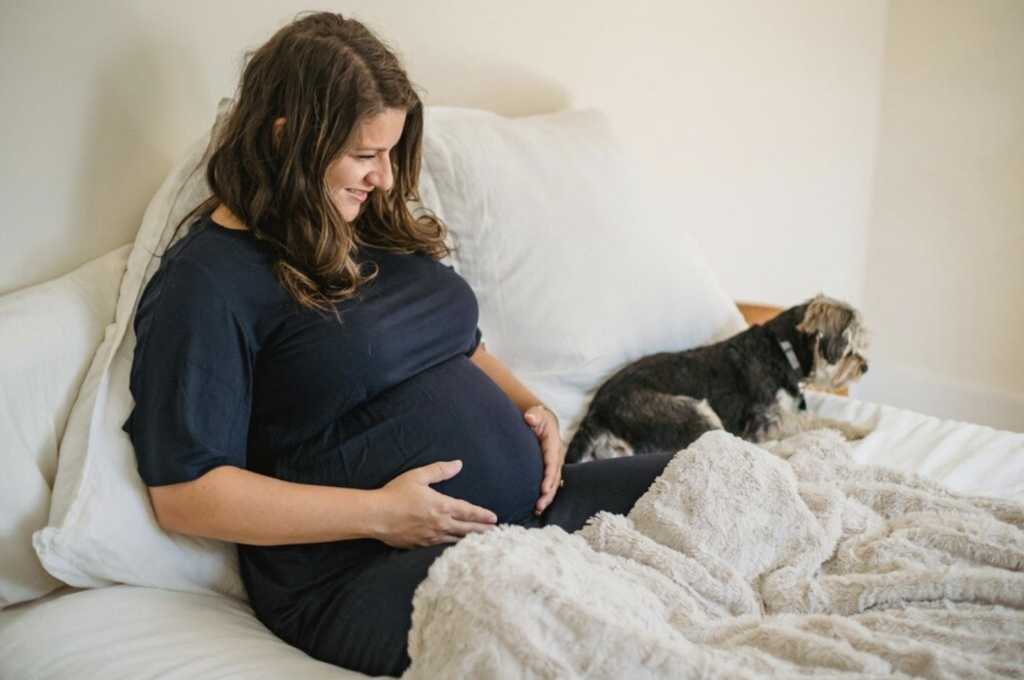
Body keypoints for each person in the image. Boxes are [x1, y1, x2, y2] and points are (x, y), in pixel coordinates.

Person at [124, 12, 674, 677]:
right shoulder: (210, 280)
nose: (385, 178)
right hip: (361, 573)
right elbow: (185, 495)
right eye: (365, 154)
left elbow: (458, 345)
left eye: (391, 152)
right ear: (286, 138)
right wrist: (380, 515)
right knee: (561, 630)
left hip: (529, 515)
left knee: (717, 477)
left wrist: (535, 411)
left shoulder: (368, 220)